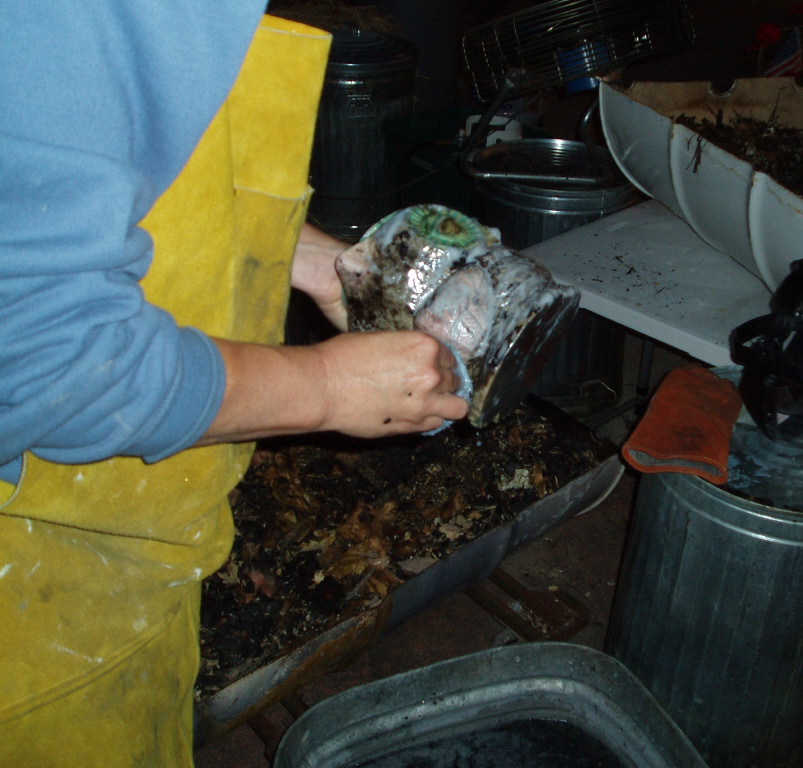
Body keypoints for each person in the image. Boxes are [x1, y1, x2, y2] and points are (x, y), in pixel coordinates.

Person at [0, 3, 468, 766]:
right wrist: (322, 386)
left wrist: (312, 258)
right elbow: (39, 356)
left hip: (132, 559)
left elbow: (107, 174)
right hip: (31, 603)